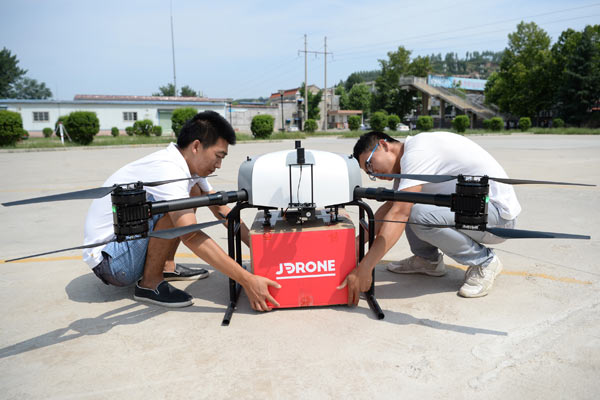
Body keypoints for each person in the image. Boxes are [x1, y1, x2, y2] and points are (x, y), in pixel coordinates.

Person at [83, 111, 280, 310]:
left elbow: (220, 208)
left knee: (194, 192)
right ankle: (149, 284)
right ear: (196, 146)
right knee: (178, 208)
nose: (219, 165)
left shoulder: (188, 166)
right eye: (218, 156)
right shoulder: (168, 169)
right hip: (112, 262)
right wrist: (247, 280)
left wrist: (260, 250)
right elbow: (191, 235)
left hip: (123, 245)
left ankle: (166, 266)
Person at [338, 131, 521, 305]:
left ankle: (484, 261)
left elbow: (400, 212)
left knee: (415, 212)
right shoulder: (406, 164)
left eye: (370, 164)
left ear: (384, 145)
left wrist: (366, 267)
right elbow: (388, 209)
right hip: (474, 213)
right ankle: (428, 261)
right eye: (369, 173)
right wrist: (355, 246)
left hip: (497, 218)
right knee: (408, 204)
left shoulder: (417, 151)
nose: (374, 174)